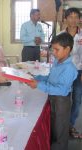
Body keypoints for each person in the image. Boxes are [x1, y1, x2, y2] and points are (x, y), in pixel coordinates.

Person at [27, 32, 77, 150]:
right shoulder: (57, 61)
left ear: (67, 49)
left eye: (56, 49)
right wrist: (35, 78)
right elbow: (50, 78)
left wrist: (39, 85)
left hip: (61, 101)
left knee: (60, 130)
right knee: (53, 126)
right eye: (52, 49)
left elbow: (61, 90)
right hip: (53, 97)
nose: (53, 53)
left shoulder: (69, 68)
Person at [61, 7, 82, 139]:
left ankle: (71, 124)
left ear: (79, 19)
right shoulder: (61, 35)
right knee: (64, 99)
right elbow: (57, 54)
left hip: (79, 71)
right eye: (70, 16)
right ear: (66, 19)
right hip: (65, 72)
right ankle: (62, 125)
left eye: (76, 17)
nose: (73, 20)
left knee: (77, 99)